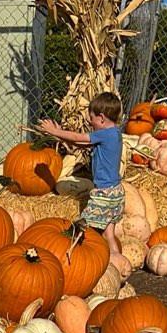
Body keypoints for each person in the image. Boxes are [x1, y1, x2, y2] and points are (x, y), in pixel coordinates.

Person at [37, 92, 124, 231]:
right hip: (116, 191)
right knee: (108, 234)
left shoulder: (104, 134)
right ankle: (114, 253)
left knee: (84, 229)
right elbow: (81, 143)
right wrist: (62, 134)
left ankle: (80, 249)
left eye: (91, 118)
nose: (90, 121)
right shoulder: (115, 133)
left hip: (104, 193)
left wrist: (53, 131)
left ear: (101, 118)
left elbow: (78, 136)